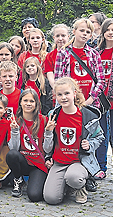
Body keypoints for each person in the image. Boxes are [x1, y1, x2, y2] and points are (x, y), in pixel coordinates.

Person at [43, 77, 104, 205]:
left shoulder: (87, 116)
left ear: (74, 93)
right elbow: (47, 148)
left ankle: (80, 186)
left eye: (67, 93)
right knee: (51, 198)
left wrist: (90, 145)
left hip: (79, 161)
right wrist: (48, 132)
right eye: (59, 94)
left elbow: (99, 137)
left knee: (74, 178)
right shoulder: (54, 115)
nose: (63, 97)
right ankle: (66, 187)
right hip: (59, 162)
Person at [92, 18, 113, 183]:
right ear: (103, 32)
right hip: (99, 99)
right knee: (101, 134)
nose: (110, 33)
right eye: (108, 30)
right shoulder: (96, 51)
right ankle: (101, 167)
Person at [54, 18, 105, 109]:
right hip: (69, 103)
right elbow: (58, 81)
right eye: (81, 30)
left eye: (88, 32)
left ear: (90, 36)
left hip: (90, 102)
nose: (84, 33)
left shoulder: (94, 54)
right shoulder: (63, 53)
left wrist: (91, 99)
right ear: (74, 31)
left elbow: (100, 80)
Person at [6, 89, 48, 202]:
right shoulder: (16, 121)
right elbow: (13, 148)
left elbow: (48, 148)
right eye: (25, 100)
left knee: (34, 196)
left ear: (36, 104)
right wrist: (14, 131)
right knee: (12, 154)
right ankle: (18, 180)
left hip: (38, 164)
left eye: (31, 101)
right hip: (23, 161)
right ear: (20, 102)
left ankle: (37, 181)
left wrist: (48, 133)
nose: (28, 104)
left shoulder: (43, 120)